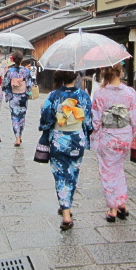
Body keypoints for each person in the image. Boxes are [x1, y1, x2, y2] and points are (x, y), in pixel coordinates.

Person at [91, 63, 136, 222]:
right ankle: (121, 204)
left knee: (108, 171)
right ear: (120, 72)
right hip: (124, 136)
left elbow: (96, 120)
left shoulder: (100, 94)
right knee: (118, 169)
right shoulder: (130, 92)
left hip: (107, 137)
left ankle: (112, 208)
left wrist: (94, 135)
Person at [39, 70, 93, 231]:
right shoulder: (83, 96)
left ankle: (66, 211)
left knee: (60, 176)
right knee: (73, 173)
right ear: (76, 77)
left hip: (59, 140)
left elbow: (46, 120)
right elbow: (89, 122)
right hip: (77, 139)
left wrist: (47, 117)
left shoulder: (54, 95)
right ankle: (66, 204)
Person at [2, 51, 33, 147]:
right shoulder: (26, 71)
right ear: (22, 59)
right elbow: (30, 83)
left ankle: (17, 138)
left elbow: (5, 85)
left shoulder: (10, 72)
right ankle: (21, 135)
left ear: (13, 60)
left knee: (15, 117)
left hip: (14, 97)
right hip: (23, 97)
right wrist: (27, 91)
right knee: (22, 117)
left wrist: (9, 92)